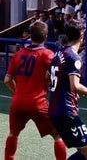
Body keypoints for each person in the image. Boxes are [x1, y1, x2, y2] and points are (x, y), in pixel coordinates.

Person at [4, 21, 66, 160]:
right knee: (57, 135)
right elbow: (58, 74)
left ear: (29, 36)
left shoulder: (18, 54)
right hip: (38, 103)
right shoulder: (47, 54)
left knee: (13, 134)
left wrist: (17, 91)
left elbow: (7, 79)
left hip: (18, 102)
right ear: (46, 37)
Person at [48, 24, 87, 160]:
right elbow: (75, 86)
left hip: (54, 109)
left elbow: (48, 77)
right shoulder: (74, 57)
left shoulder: (59, 53)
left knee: (83, 150)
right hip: (66, 111)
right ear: (82, 36)